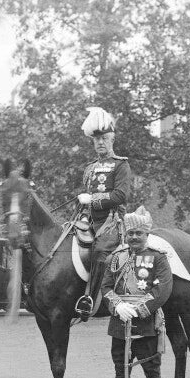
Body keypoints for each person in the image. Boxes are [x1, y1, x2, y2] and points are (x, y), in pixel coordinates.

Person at [93, 206, 172, 378]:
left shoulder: (158, 258)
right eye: (130, 233)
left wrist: (137, 310)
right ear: (125, 234)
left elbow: (162, 290)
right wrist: (117, 306)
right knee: (121, 372)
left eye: (139, 233)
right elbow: (106, 287)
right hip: (120, 324)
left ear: (147, 234)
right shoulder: (116, 257)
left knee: (153, 374)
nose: (134, 237)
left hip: (147, 326)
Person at [74, 107, 132, 320]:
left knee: (99, 252)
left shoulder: (121, 165)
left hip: (111, 222)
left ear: (112, 140)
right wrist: (79, 215)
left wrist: (93, 200)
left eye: (104, 138)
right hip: (89, 220)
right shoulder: (89, 168)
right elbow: (85, 199)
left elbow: (120, 196)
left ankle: (90, 299)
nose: (100, 142)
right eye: (97, 139)